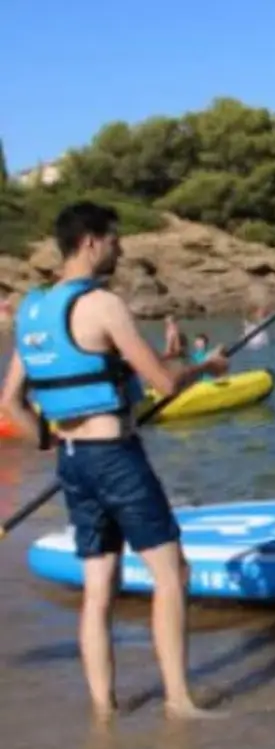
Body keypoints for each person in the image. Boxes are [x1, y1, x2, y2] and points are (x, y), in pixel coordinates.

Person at [0, 201, 229, 719]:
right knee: (172, 574)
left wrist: (51, 442)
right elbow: (164, 382)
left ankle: (104, 708)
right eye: (114, 240)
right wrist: (208, 367)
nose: (120, 249)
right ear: (89, 242)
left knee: (98, 586)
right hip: (115, 457)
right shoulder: (104, 305)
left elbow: (9, 402)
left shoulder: (31, 311)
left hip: (74, 463)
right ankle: (178, 701)